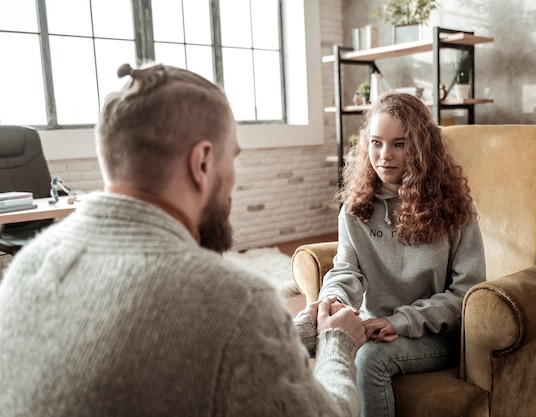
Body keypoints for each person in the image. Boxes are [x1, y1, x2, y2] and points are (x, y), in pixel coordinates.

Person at [0, 63, 366, 417]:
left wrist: (294, 331)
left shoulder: (28, 264)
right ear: (202, 162)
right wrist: (338, 341)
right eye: (232, 158)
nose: (233, 178)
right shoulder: (235, 300)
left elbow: (167, 355)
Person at [318, 91, 487, 417]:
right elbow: (346, 270)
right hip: (371, 325)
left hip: (434, 335)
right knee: (298, 331)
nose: (385, 156)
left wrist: (399, 321)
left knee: (370, 359)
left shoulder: (454, 209)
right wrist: (333, 300)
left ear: (422, 147)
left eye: (400, 144)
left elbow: (465, 294)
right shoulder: (354, 209)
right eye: (376, 142)